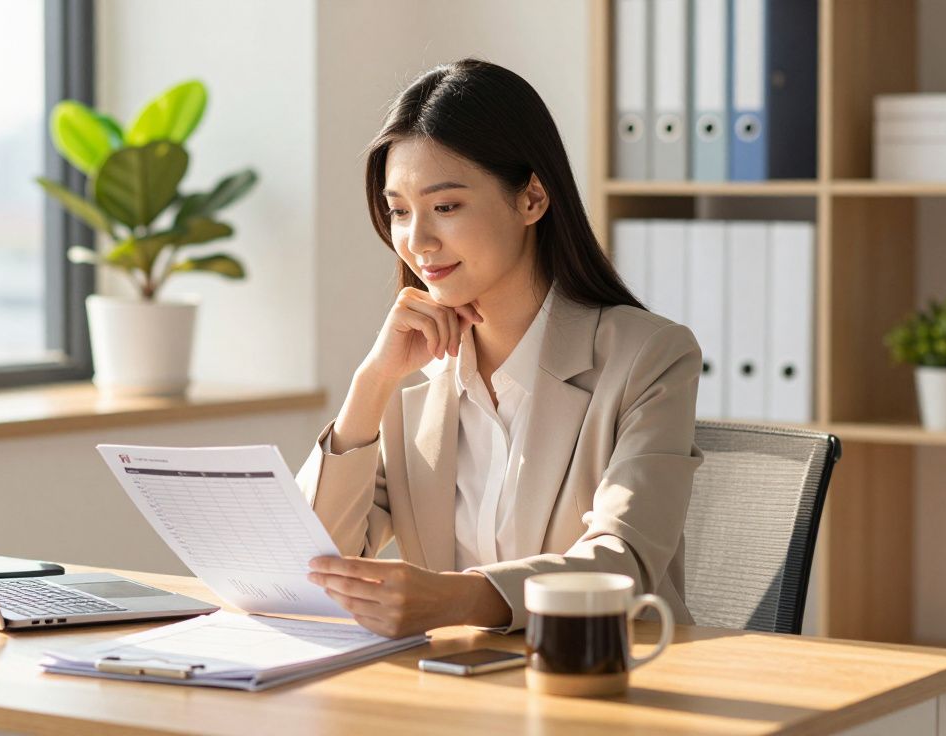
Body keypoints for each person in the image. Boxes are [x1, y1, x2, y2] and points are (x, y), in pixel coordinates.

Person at [297, 58, 703, 638]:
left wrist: (460, 599)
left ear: (532, 198)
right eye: (399, 211)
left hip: (607, 688)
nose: (418, 241)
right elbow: (314, 564)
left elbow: (625, 565)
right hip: (456, 691)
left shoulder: (650, 357)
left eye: (446, 206)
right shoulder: (416, 385)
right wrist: (370, 386)